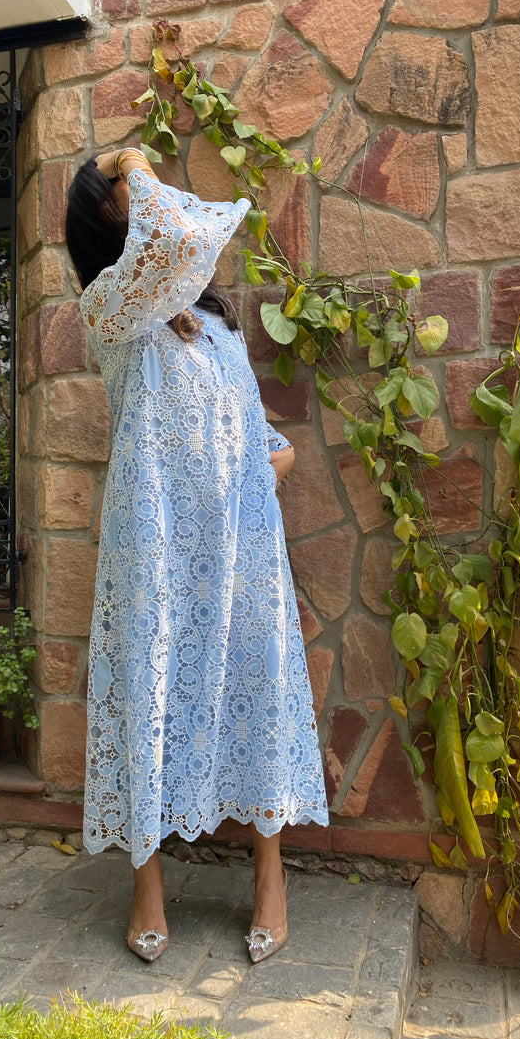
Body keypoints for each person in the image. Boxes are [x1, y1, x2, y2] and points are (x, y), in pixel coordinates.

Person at [64, 146, 329, 965]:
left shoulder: (215, 326)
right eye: (121, 199)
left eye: (136, 191)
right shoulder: (109, 311)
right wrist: (135, 166)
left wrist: (260, 465)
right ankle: (147, 885)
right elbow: (175, 245)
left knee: (258, 685)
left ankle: (270, 877)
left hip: (236, 544)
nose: (140, 202)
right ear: (101, 226)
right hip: (154, 544)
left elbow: (256, 432)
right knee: (147, 689)